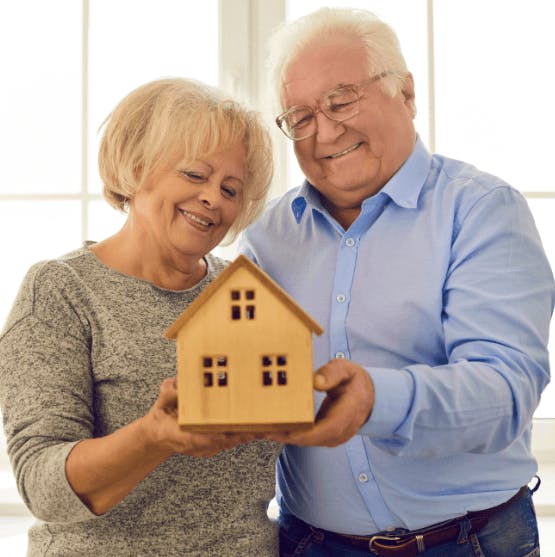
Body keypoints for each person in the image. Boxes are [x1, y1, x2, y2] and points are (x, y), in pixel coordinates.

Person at [240, 7, 555, 556]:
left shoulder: (480, 210)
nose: (326, 131)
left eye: (341, 101)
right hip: (310, 543)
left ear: (405, 94)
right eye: (301, 117)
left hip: (470, 542)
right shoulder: (266, 238)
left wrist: (376, 400)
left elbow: (506, 391)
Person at [0, 77, 280, 556]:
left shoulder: (244, 294)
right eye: (195, 175)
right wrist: (153, 436)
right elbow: (42, 486)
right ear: (135, 167)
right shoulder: (62, 291)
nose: (214, 198)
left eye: (230, 188)